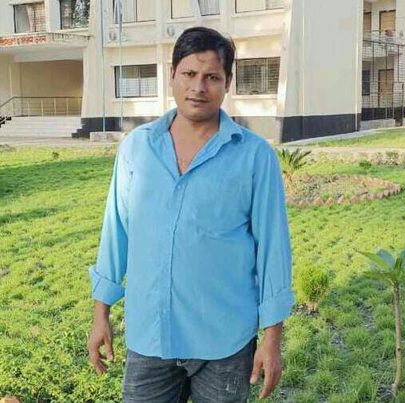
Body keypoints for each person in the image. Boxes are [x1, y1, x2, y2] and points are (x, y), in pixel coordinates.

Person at [87, 26, 295, 402]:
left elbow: (272, 249)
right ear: (172, 76)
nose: (199, 87)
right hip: (150, 336)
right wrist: (101, 314)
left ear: (227, 83)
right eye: (189, 74)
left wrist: (272, 338)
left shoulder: (253, 156)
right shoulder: (137, 148)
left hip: (225, 342)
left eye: (212, 77)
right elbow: (116, 231)